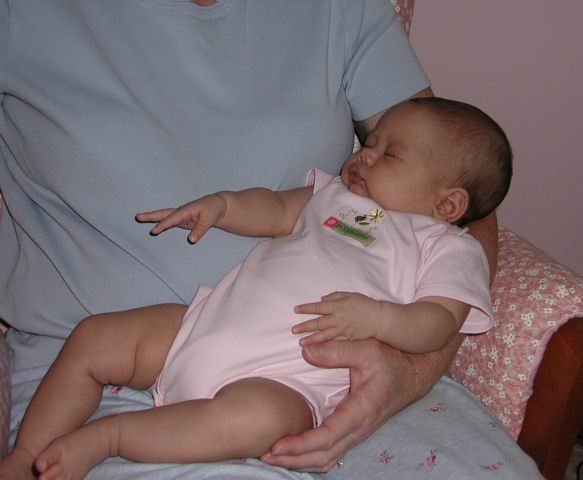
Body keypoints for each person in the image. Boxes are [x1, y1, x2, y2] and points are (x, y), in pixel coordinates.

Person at [0, 1, 538, 479]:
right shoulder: (339, 200)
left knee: (258, 418)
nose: (365, 155)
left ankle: (110, 438)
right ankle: (26, 457)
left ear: (448, 205)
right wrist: (224, 206)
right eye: (369, 142)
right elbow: (277, 209)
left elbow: (440, 320)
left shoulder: (447, 246)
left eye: (387, 154)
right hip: (197, 323)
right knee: (96, 337)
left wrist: (384, 330)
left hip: (290, 375)